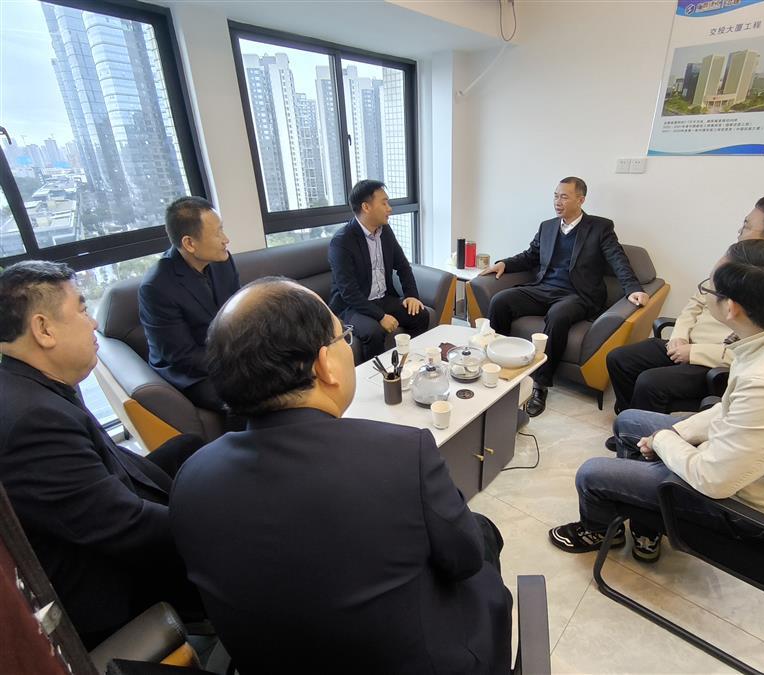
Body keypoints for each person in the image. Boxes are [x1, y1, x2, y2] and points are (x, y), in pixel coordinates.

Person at [170, 278, 512, 675]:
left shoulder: (190, 479)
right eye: (343, 337)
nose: (348, 346)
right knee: (481, 537)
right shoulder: (404, 454)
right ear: (324, 365)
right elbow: (465, 561)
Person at [549, 240, 764, 564]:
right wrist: (677, 434)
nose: (704, 291)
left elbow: (713, 479)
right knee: (629, 421)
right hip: (759, 468)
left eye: (709, 286)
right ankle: (641, 521)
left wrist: (663, 440)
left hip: (749, 512)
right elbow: (733, 410)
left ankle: (598, 527)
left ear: (731, 307)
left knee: (592, 474)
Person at [0, 261, 203, 647]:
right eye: (81, 309)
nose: (93, 323)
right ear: (43, 329)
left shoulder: (31, 384)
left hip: (115, 508)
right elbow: (124, 526)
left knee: (189, 447)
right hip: (119, 584)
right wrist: (213, 521)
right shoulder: (33, 420)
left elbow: (112, 465)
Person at [606, 193, 764, 417]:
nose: (740, 232)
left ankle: (644, 431)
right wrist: (679, 335)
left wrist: (695, 352)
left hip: (717, 362)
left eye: (747, 226)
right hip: (687, 344)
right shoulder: (736, 258)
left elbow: (762, 355)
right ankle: (629, 419)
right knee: (620, 358)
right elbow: (698, 299)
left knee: (650, 382)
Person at [481, 177, 648, 417]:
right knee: (501, 301)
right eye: (555, 196)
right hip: (544, 288)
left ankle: (541, 384)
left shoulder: (600, 228)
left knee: (558, 315)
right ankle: (497, 364)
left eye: (564, 197)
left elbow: (618, 260)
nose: (557, 202)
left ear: (581, 200)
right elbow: (530, 256)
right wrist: (504, 264)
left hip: (579, 294)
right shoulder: (547, 226)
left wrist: (633, 288)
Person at [139, 196, 240, 412]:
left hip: (227, 351)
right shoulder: (157, 287)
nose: (226, 239)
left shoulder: (222, 261)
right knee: (245, 397)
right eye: (217, 233)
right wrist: (238, 361)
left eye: (222, 229)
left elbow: (238, 310)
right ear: (189, 243)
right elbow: (183, 356)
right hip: (191, 372)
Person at [329, 179, 429, 362]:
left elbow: (403, 266)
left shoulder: (385, 231)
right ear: (366, 207)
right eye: (384, 203)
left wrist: (411, 295)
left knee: (420, 314)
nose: (389, 208)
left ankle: (411, 363)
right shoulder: (342, 241)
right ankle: (379, 375)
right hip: (353, 307)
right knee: (373, 332)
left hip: (383, 298)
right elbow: (349, 293)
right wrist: (381, 316)